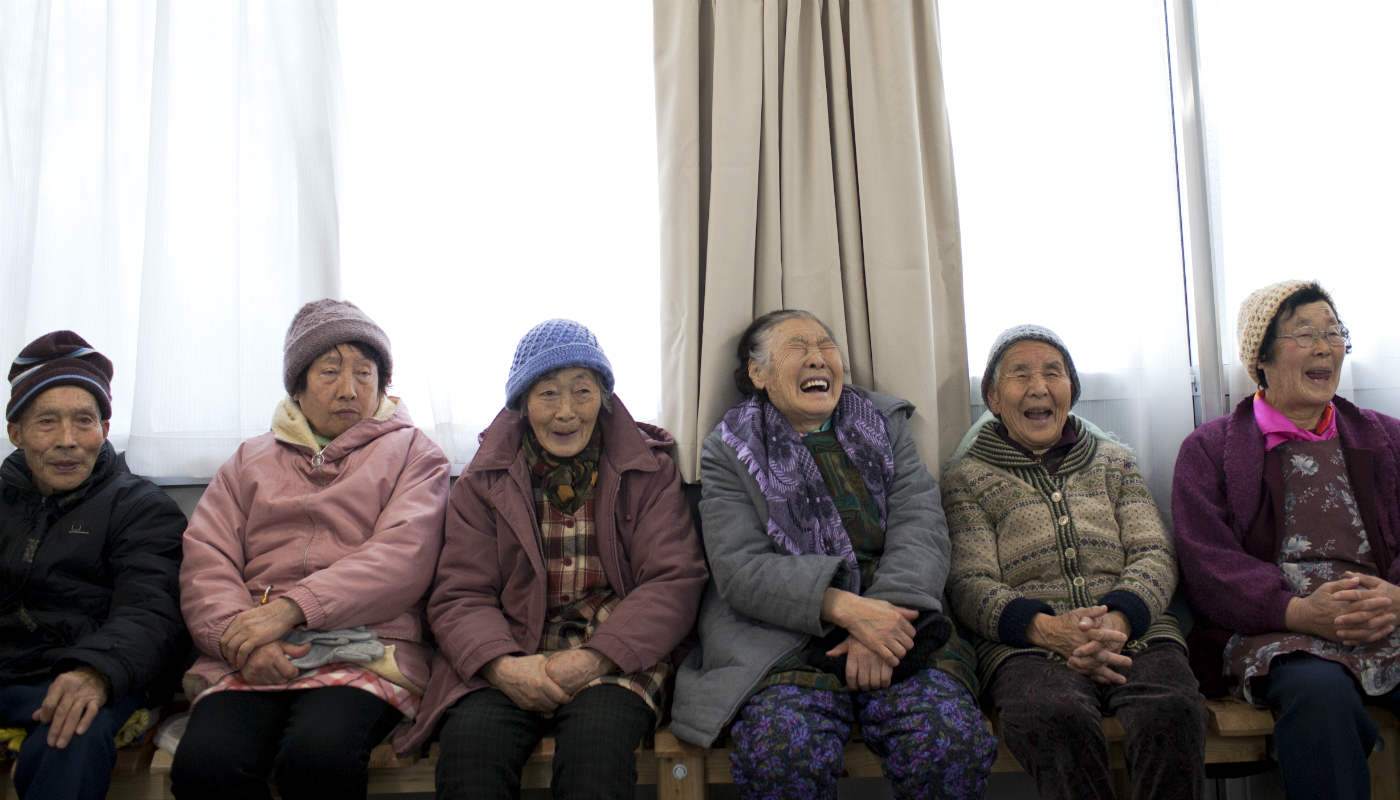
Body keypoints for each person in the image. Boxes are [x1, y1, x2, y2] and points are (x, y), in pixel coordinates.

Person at [671, 309, 997, 799]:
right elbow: (740, 570)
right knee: (783, 752)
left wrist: (880, 623)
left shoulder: (884, 425)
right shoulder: (728, 450)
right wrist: (847, 609)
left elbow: (922, 528)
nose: (817, 359)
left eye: (826, 346)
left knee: (947, 740)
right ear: (757, 374)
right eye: (797, 348)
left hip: (898, 622)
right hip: (782, 636)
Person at [405, 319, 706, 800]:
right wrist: (502, 666)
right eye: (547, 394)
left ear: (604, 399)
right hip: (509, 649)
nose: (566, 412)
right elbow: (461, 594)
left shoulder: (647, 470)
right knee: (471, 752)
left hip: (616, 654)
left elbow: (673, 582)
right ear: (523, 403)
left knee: (596, 755)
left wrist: (595, 658)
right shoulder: (484, 480)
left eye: (582, 392)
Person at [170, 300, 449, 800]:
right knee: (206, 764)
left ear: (382, 385)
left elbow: (401, 557)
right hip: (251, 652)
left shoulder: (414, 454)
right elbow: (206, 560)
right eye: (329, 372)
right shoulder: (247, 461)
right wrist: (243, 641)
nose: (349, 388)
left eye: (365, 373)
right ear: (297, 386)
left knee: (318, 756)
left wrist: (289, 609)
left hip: (366, 650)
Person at [942, 324, 1206, 800]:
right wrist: (1048, 630)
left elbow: (1155, 553)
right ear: (993, 397)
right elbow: (970, 582)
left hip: (1138, 633)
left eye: (1053, 373)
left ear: (1071, 391)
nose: (1039, 387)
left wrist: (1120, 622)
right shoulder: (968, 478)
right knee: (1052, 716)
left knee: (1171, 709)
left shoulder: (1115, 463)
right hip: (1025, 647)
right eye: (1020, 374)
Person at [1174, 280, 1400, 799]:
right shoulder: (1209, 450)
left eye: (1333, 332)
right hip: (1279, 631)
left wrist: (1394, 599)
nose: (1325, 347)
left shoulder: (1386, 438)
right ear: (1263, 357)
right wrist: (1299, 612)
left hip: (1384, 617)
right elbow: (1209, 567)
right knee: (1319, 695)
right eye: (1305, 334)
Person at [0, 331, 185, 800]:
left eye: (84, 421)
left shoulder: (140, 507)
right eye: (47, 422)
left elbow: (151, 610)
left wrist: (94, 673)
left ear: (104, 428)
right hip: (8, 675)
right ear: (15, 433)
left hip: (95, 674)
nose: (68, 441)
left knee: (71, 732)